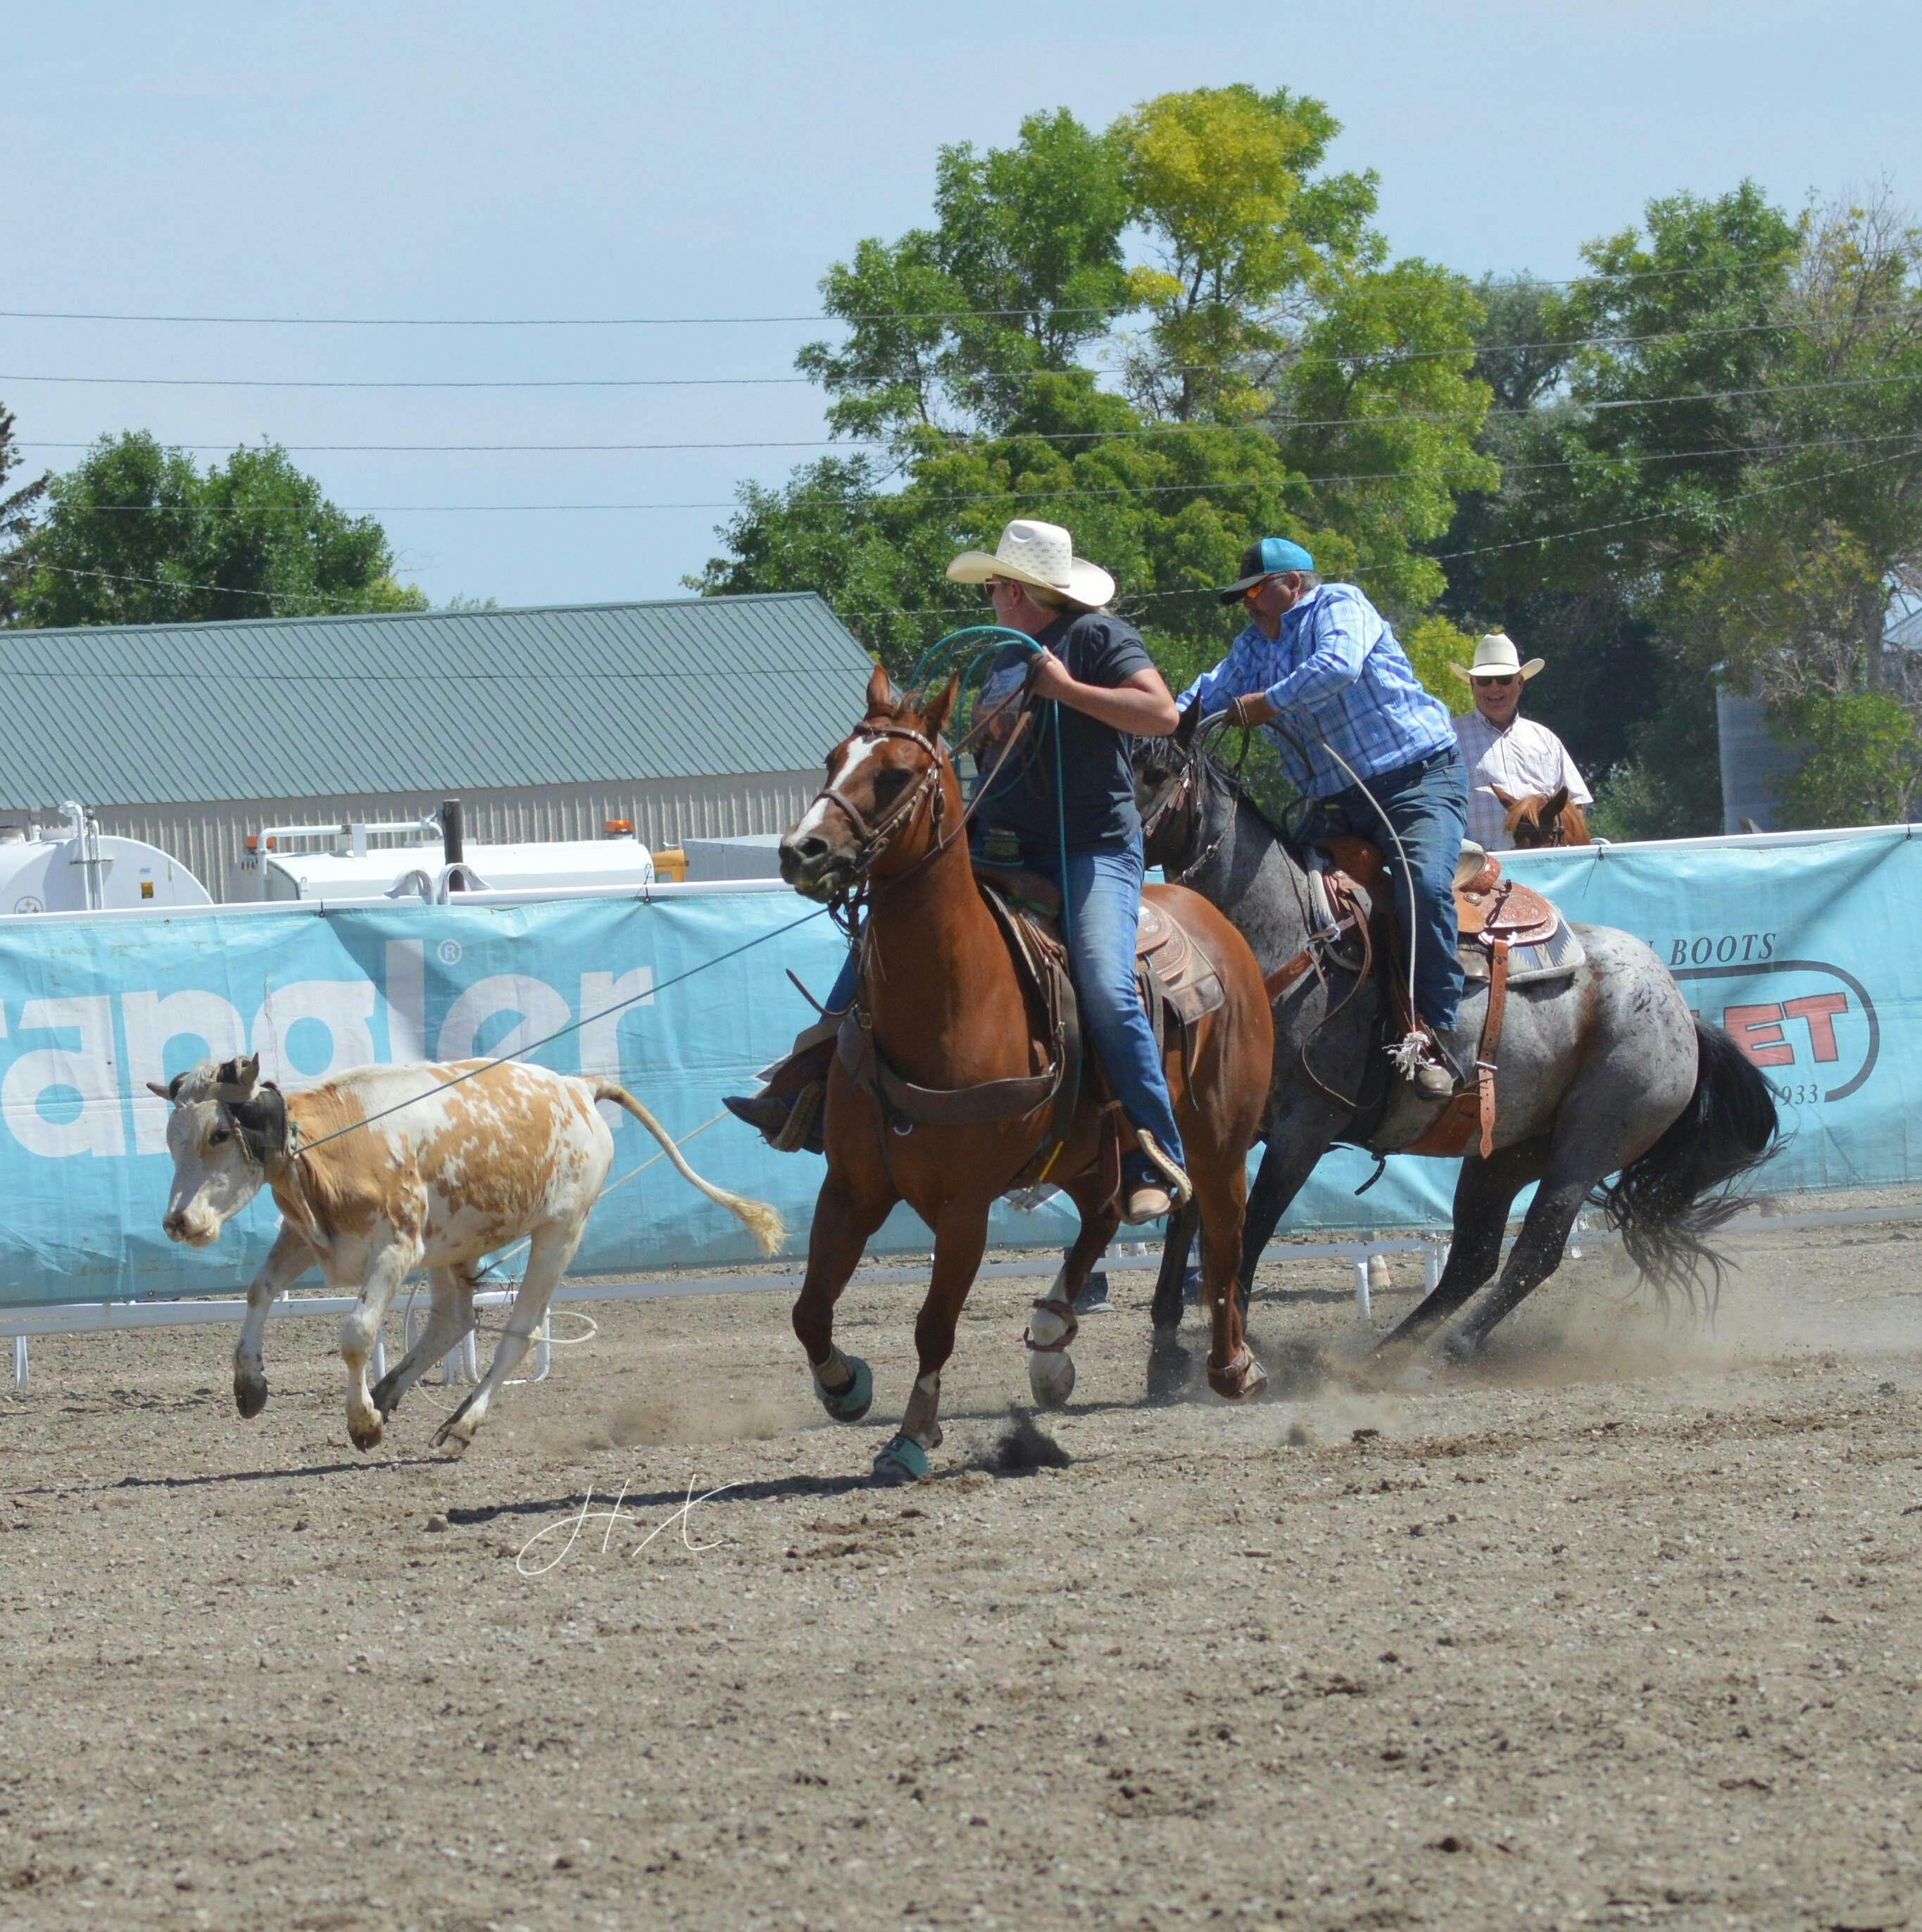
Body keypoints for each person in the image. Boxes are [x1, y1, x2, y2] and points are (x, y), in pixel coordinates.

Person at [726, 518, 1191, 1225]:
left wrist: (1065, 688)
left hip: (1089, 849)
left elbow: (1161, 714)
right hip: (1001, 844)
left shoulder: (1097, 637)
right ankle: (805, 1085)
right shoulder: (1003, 657)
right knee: (883, 933)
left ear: (1019, 590)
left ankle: (1152, 1150)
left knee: (1105, 983)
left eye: (996, 585)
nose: (992, 596)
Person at [1180, 537, 1466, 1102]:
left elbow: (1338, 666)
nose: (1248, 606)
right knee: (1275, 895)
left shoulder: (1339, 603)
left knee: (1424, 886)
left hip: (1417, 782)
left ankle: (1437, 1031)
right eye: (1243, 597)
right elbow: (1207, 694)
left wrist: (1266, 703)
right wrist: (1156, 721)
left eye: (1255, 592)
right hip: (1336, 803)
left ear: (1293, 583)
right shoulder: (1252, 646)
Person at [1450, 632, 1592, 849]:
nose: (1494, 688)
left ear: (1520, 683)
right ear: (1472, 684)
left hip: (1544, 862)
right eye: (1485, 681)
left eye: (1504, 679)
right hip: (1474, 865)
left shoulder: (1546, 739)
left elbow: (1575, 806)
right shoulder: (1449, 739)